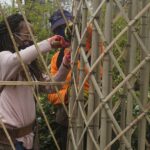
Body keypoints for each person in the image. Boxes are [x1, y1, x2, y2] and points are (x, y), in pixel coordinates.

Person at [0, 13, 71, 150]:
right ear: (11, 36)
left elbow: (50, 86)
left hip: (30, 135)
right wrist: (49, 43)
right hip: (8, 139)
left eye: (33, 35)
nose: (31, 40)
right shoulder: (3, 59)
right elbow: (16, 59)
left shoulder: (29, 67)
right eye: (27, 35)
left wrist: (65, 65)